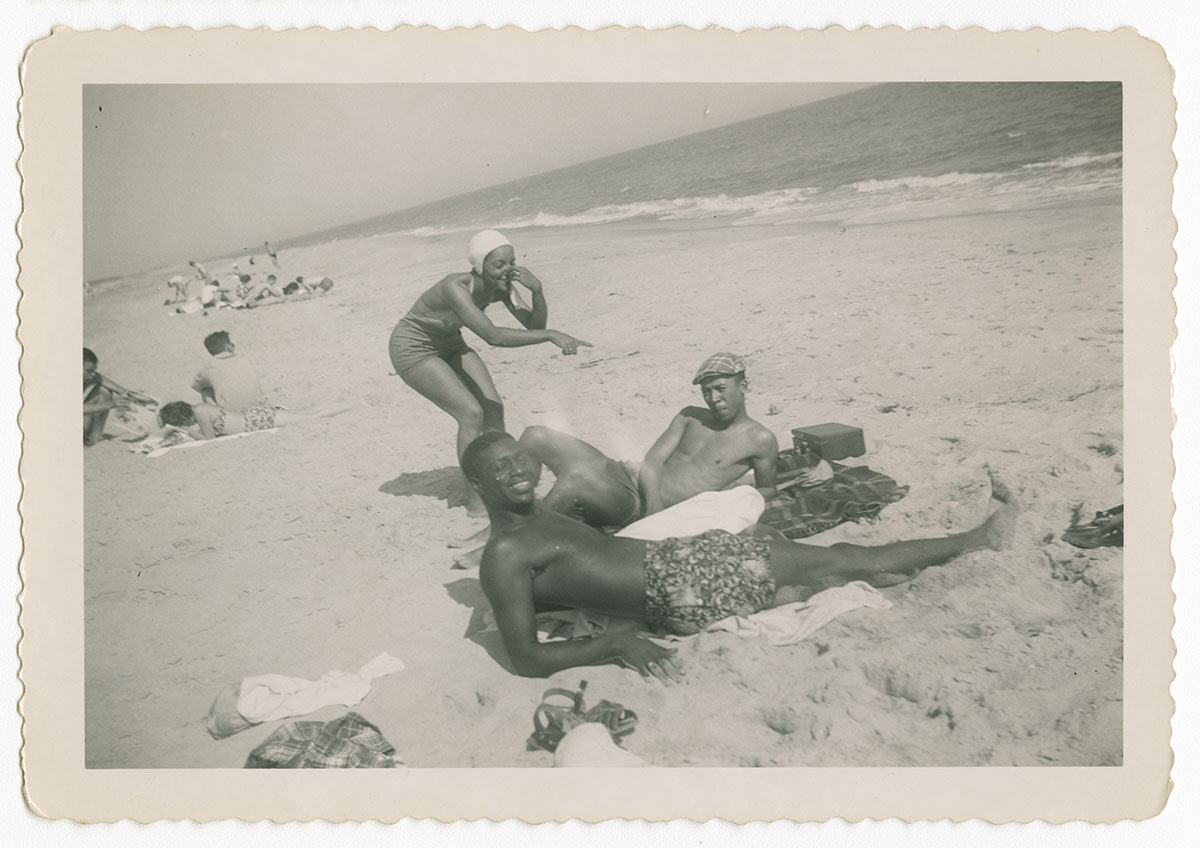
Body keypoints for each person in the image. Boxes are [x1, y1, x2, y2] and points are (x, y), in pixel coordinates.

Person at [464, 431, 1018, 680]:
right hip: (678, 585)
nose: (521, 473)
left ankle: (828, 577)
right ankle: (977, 541)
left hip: (677, 563)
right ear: (478, 485)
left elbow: (591, 564)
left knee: (778, 546)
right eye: (503, 470)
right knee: (841, 556)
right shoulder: (505, 553)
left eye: (523, 460)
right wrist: (614, 642)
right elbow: (527, 658)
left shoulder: (543, 517)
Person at [389, 229, 592, 516]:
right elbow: (493, 336)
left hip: (449, 343)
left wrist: (538, 291)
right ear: (479, 266)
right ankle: (478, 502)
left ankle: (501, 483)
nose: (507, 270)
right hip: (413, 349)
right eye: (499, 265)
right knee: (471, 414)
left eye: (511, 262)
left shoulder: (502, 286)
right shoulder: (455, 286)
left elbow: (532, 326)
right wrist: (551, 335)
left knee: (494, 409)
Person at [515, 352, 778, 529]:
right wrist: (655, 504)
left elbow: (769, 489)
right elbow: (653, 460)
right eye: (706, 391)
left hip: (635, 504)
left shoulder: (759, 439)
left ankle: (519, 534)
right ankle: (514, 512)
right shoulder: (689, 416)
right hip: (626, 476)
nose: (713, 398)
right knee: (535, 436)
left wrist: (726, 498)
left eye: (720, 389)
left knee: (576, 476)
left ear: (742, 387)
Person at [157, 399, 352, 440]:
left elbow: (208, 439)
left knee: (311, 417)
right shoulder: (200, 408)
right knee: (309, 412)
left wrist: (184, 431)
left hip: (255, 422)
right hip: (254, 416)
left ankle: (351, 407)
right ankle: (349, 405)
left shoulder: (200, 412)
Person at [83, 347, 155, 446]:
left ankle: (95, 437)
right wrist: (111, 404)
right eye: (89, 371)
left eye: (94, 370)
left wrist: (131, 394)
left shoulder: (90, 375)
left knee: (104, 392)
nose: (93, 374)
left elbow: (107, 382)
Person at [191, 331, 267, 411]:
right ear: (229, 347)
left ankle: (218, 416)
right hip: (259, 408)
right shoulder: (244, 358)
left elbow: (196, 386)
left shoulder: (209, 366)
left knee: (205, 390)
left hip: (231, 414)